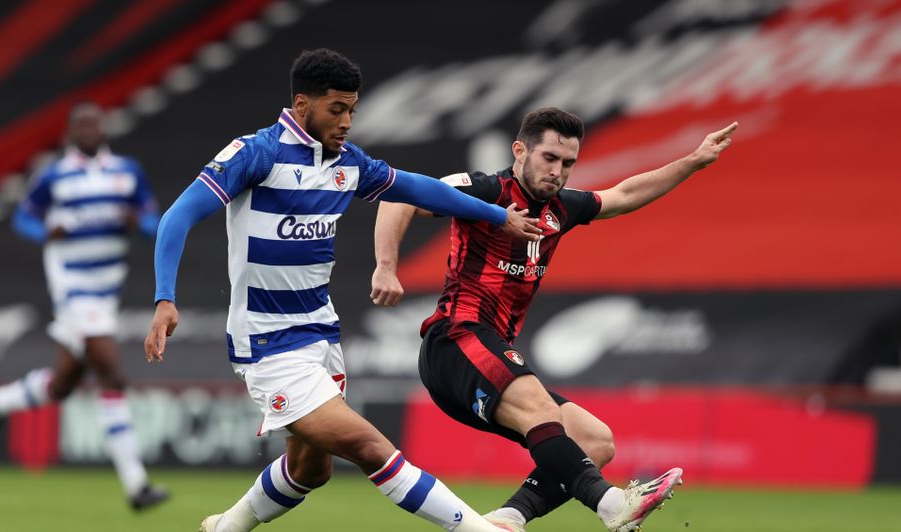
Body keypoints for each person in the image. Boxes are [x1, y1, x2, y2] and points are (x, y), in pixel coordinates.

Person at [144, 48, 541, 532]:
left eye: (353, 109)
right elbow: (177, 216)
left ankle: (221, 529)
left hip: (320, 337)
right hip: (268, 345)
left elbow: (417, 188)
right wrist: (166, 298)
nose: (348, 121)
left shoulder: (348, 163)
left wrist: (500, 215)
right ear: (301, 103)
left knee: (310, 470)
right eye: (337, 109)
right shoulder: (256, 153)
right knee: (371, 448)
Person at [371, 107, 738, 532]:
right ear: (520, 150)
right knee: (541, 407)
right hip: (455, 341)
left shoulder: (562, 208)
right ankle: (613, 505)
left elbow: (623, 196)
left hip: (490, 357)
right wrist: (385, 266)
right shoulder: (486, 190)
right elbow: (400, 194)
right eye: (549, 158)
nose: (558, 171)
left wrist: (691, 162)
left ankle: (508, 519)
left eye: (567, 163)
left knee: (596, 441)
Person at [0, 102, 169, 511]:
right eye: (81, 124)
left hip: (106, 290)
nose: (89, 130)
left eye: (94, 123)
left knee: (63, 382)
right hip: (72, 288)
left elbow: (154, 223)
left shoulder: (126, 172)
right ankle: (137, 485)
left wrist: (138, 224)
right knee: (111, 374)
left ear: (104, 129)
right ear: (70, 132)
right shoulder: (55, 176)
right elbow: (23, 220)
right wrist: (48, 229)